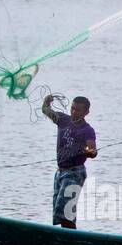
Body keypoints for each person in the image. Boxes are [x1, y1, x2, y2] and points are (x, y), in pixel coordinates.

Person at [40, 94, 97, 229]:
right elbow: (46, 110)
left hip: (75, 172)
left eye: (78, 110)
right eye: (72, 108)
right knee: (60, 210)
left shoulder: (87, 130)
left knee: (65, 209)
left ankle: (70, 238)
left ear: (86, 113)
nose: (74, 112)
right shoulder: (63, 120)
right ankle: (68, 239)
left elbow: (92, 149)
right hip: (60, 172)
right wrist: (46, 103)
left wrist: (90, 151)